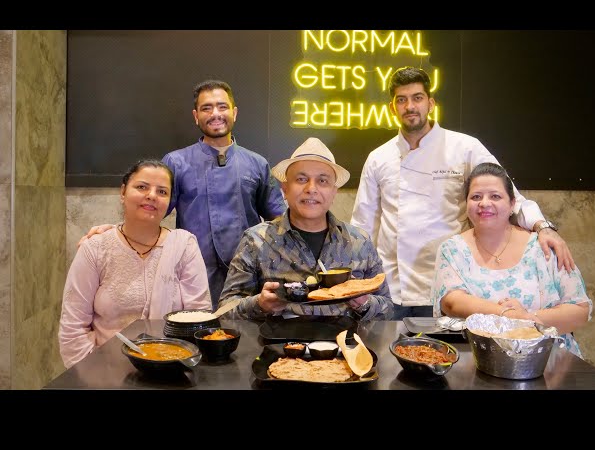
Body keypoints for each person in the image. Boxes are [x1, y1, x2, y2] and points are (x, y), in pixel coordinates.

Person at [350, 66, 575, 320]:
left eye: (417, 98)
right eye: (401, 100)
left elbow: (507, 195)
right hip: (391, 285)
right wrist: (355, 281)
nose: (410, 106)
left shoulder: (464, 147)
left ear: (431, 103)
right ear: (393, 108)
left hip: (451, 283)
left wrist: (542, 226)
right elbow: (362, 225)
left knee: (446, 357)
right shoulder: (378, 158)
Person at [80, 80, 286, 308]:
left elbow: (279, 219)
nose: (215, 113)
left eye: (222, 106)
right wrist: (115, 231)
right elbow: (151, 211)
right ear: (196, 116)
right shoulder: (176, 162)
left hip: (247, 279)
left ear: (234, 113)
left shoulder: (257, 163)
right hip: (191, 275)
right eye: (207, 108)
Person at [218, 137, 393, 321]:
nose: (311, 188)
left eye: (322, 181)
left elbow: (387, 310)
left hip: (344, 346)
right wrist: (258, 304)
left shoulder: (359, 242)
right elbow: (225, 310)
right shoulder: (256, 241)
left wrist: (364, 303)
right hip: (277, 347)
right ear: (285, 189)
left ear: (334, 192)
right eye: (301, 179)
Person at [59, 160, 212, 368]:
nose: (151, 195)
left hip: (171, 370)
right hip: (106, 375)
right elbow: (72, 330)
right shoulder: (95, 249)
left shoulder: (183, 247)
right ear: (123, 192)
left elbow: (199, 321)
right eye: (142, 187)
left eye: (162, 191)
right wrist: (94, 377)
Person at [433, 162, 592, 357]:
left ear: (512, 204)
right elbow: (452, 302)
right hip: (481, 360)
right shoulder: (452, 249)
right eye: (476, 197)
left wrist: (527, 319)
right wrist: (508, 315)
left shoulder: (544, 246)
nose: (484, 203)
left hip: (551, 363)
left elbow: (579, 310)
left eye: (495, 196)